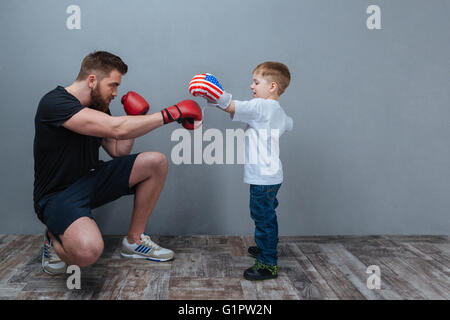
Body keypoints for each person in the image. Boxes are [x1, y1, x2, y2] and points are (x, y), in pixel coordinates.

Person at [34, 51, 202, 275]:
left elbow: (118, 151)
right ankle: (53, 237)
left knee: (155, 162)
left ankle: (134, 242)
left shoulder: (97, 106)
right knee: (87, 253)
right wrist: (173, 113)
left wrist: (133, 116)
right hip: (58, 195)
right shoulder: (55, 103)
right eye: (112, 85)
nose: (115, 92)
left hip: (92, 179)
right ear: (92, 80)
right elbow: (116, 128)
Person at [189, 62, 293, 280]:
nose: (251, 86)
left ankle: (267, 263)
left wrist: (215, 92)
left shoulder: (261, 107)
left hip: (262, 177)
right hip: (273, 176)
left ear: (272, 86)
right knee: (267, 214)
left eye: (256, 82)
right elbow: (288, 123)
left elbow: (231, 105)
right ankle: (267, 246)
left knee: (262, 217)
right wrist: (216, 101)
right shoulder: (276, 110)